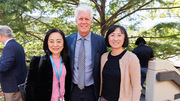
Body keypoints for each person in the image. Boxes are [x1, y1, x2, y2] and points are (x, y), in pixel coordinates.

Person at [66, 4, 107, 101]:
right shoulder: (67, 40)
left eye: (87, 19)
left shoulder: (101, 41)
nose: (84, 22)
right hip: (72, 90)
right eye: (80, 19)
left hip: (92, 91)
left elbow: (104, 67)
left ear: (91, 21)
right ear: (76, 21)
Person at [25, 28, 71, 101]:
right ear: (47, 43)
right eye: (51, 41)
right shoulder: (37, 61)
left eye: (59, 41)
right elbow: (29, 88)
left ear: (63, 43)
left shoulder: (67, 60)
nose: (55, 45)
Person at [100, 25, 142, 101]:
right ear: (108, 38)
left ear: (124, 38)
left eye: (119, 35)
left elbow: (136, 87)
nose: (115, 39)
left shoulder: (131, 58)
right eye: (112, 35)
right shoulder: (103, 57)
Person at [0, 25, 27, 101]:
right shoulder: (18, 45)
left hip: (12, 88)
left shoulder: (9, 47)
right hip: (19, 85)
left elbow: (4, 66)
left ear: (1, 35)